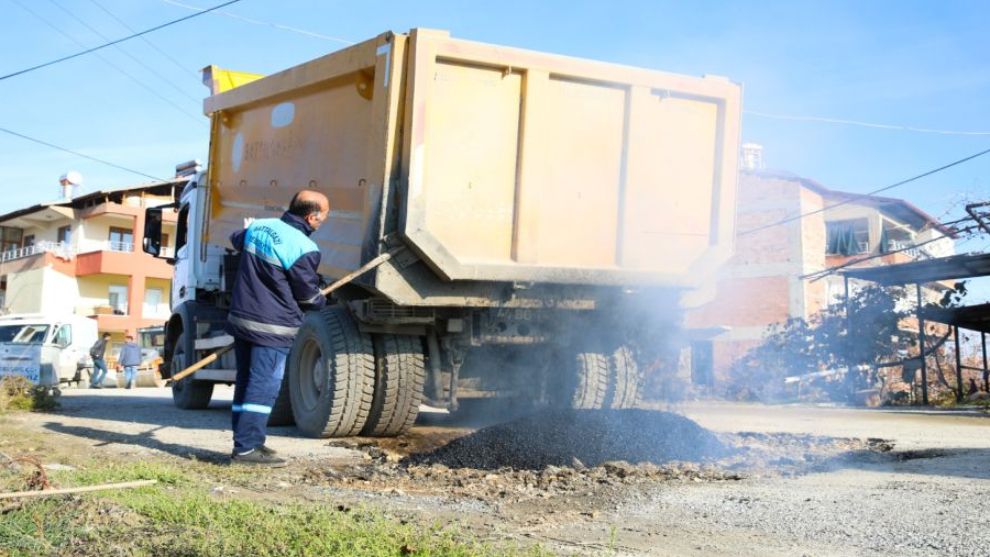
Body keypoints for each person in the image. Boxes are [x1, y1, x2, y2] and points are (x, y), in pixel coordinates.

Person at [226, 190, 329, 467]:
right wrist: (322, 298)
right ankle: (247, 450)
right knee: (263, 386)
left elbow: (235, 239)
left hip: (242, 319)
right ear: (311, 216)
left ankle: (249, 441)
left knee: (247, 382)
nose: (322, 223)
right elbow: (307, 297)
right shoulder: (304, 248)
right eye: (323, 218)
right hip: (272, 327)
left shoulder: (260, 226)